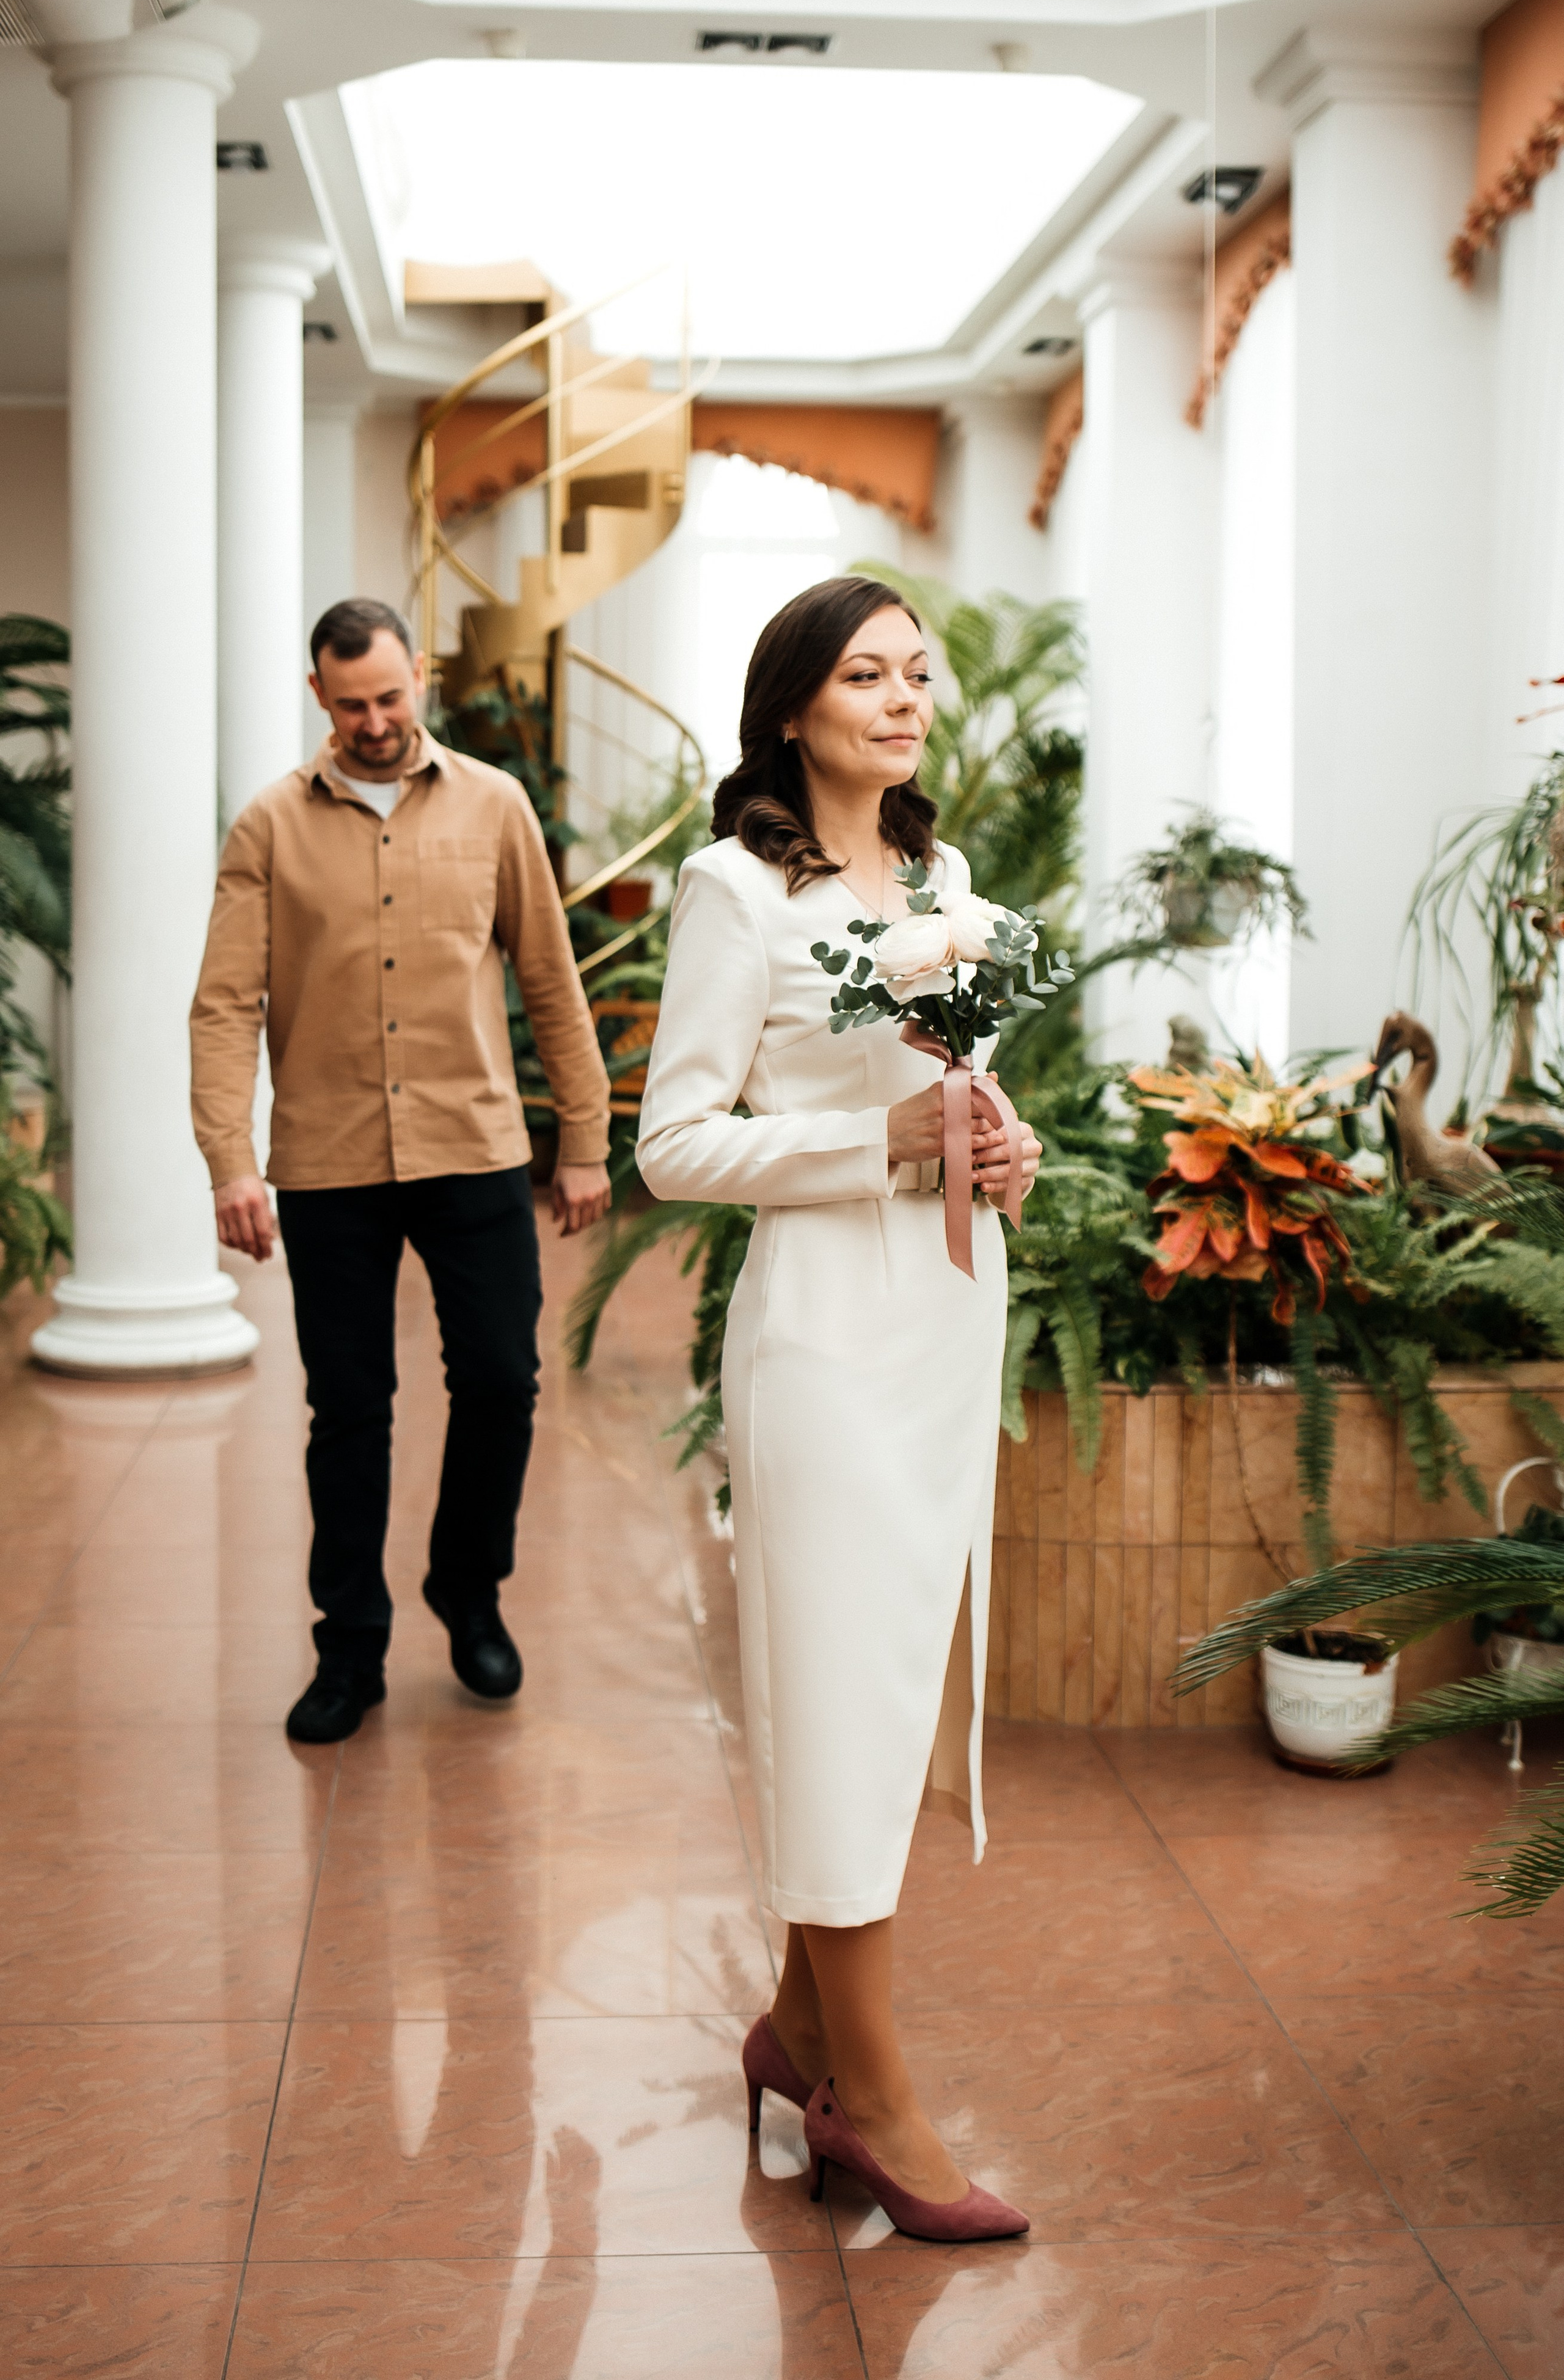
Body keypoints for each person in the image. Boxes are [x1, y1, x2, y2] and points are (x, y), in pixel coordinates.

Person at [636, 574, 1040, 2243]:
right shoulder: (735, 890)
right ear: (793, 705)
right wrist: (862, 1149)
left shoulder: (949, 885)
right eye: (864, 674)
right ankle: (866, 2092)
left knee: (889, 1695)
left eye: (916, 672)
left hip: (944, 1324)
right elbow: (673, 1144)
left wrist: (997, 1146)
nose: (902, 697)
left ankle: (793, 2029)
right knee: (839, 1700)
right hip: (820, 1341)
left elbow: (954, 1099)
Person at [189, 598, 612, 1744]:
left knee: (499, 1382)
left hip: (472, 1145)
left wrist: (584, 1138)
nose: (375, 721)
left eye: (391, 696)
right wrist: (231, 1159)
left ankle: (468, 1592)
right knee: (349, 1412)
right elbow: (225, 1003)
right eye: (351, 703)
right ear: (318, 697)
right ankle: (351, 1644)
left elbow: (550, 979)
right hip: (328, 1163)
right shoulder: (269, 825)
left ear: (418, 678)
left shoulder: (495, 805)